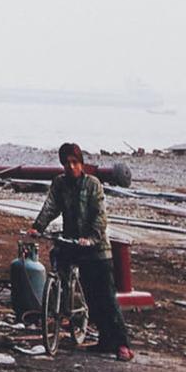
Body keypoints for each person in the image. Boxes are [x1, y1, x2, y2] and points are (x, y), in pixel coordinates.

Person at [33, 142, 134, 360]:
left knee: (105, 297)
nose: (71, 167)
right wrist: (37, 226)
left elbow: (100, 216)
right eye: (67, 163)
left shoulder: (93, 185)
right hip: (71, 242)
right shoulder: (59, 184)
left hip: (96, 248)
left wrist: (91, 238)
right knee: (88, 294)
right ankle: (101, 338)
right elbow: (51, 206)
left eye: (75, 162)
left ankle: (121, 344)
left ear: (82, 164)